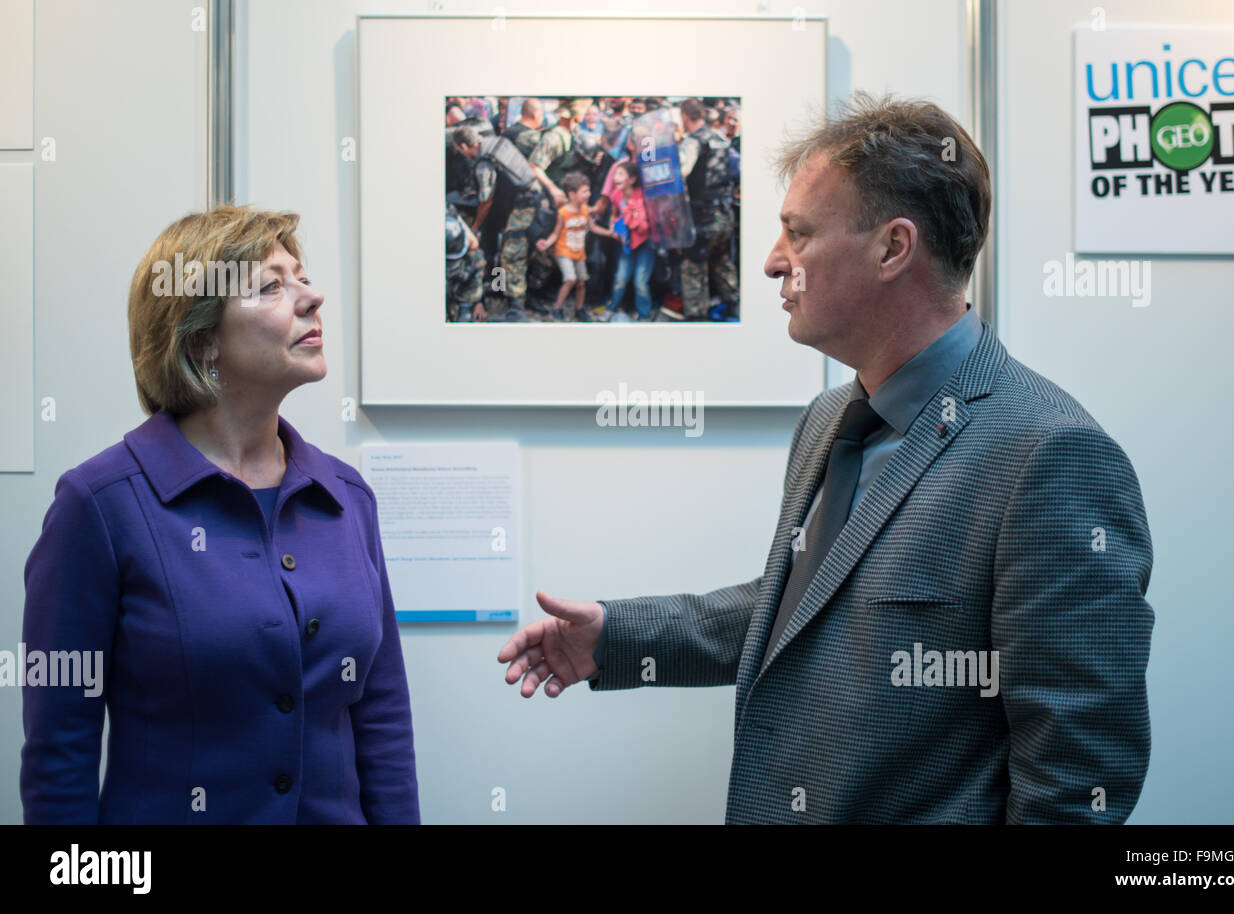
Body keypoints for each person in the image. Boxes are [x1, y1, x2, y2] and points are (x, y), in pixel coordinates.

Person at [497, 92, 1155, 824]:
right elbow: (808, 612)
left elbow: (1077, 778)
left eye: (798, 234)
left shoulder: (1053, 456)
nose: (775, 263)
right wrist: (619, 637)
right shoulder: (828, 421)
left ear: (893, 248)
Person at [21, 205, 420, 823]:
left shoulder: (346, 497)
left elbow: (383, 718)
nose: (312, 297)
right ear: (202, 337)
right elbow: (59, 758)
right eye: (272, 285)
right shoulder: (99, 505)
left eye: (303, 276)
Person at [453, 125, 542, 321]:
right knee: (498, 248)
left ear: (464, 146)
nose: (461, 154)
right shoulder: (497, 143)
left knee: (512, 251)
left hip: (523, 202)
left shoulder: (484, 162)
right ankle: (499, 287)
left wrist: (475, 227)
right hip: (521, 198)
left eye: (459, 150)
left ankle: (517, 306)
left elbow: (486, 201)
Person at [677, 97, 738, 321]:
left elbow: (682, 171)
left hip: (704, 217)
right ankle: (733, 304)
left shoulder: (693, 141)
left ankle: (696, 316)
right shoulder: (720, 138)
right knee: (722, 261)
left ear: (684, 116)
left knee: (693, 266)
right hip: (725, 213)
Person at [535, 172, 615, 321]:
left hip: (579, 252)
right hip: (563, 251)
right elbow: (555, 233)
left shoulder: (585, 209)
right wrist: (547, 243)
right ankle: (557, 308)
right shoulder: (563, 212)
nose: (589, 194)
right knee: (570, 279)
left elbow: (593, 227)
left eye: (588, 190)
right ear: (572, 194)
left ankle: (579, 309)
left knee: (581, 282)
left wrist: (610, 233)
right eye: (584, 191)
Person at [599, 161, 655, 321]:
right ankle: (612, 308)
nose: (615, 177)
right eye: (615, 174)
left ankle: (644, 315)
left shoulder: (642, 195)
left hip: (645, 243)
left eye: (620, 174)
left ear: (631, 179)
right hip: (626, 243)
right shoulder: (616, 194)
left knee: (640, 282)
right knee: (620, 278)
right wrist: (613, 227)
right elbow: (614, 214)